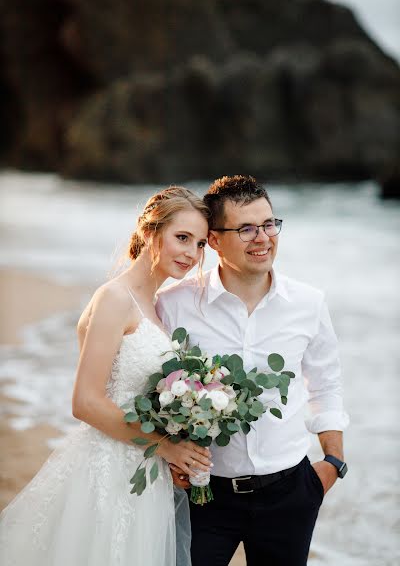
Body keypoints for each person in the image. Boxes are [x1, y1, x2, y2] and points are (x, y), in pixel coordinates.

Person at [0, 186, 212, 566]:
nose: (191, 253)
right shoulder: (116, 298)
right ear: (150, 232)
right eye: (182, 237)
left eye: (199, 244)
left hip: (146, 473)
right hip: (107, 471)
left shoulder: (159, 307)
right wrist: (164, 446)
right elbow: (85, 401)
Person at [156, 175, 349, 566]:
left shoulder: (308, 303)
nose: (263, 238)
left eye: (269, 224)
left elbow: (325, 384)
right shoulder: (174, 304)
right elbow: (155, 386)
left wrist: (332, 465)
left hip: (290, 494)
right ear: (213, 240)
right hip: (203, 496)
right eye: (245, 228)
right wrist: (171, 454)